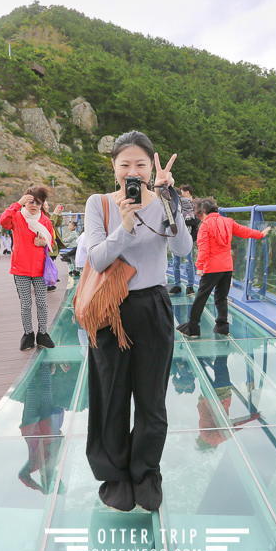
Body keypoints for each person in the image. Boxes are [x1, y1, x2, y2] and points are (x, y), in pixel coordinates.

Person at [84, 130, 191, 512]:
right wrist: (125, 226)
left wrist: (170, 201)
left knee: (150, 398)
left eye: (140, 164)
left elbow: (182, 249)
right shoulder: (99, 204)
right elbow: (96, 259)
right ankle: (115, 474)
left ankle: (146, 472)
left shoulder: (163, 201)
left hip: (152, 305)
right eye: (125, 164)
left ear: (151, 168)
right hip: (110, 309)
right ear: (114, 168)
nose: (133, 170)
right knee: (111, 395)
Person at [177, 198, 271, 338]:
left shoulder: (205, 225)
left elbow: (204, 248)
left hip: (212, 267)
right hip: (227, 266)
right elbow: (244, 231)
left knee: (201, 297)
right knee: (221, 297)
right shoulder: (228, 222)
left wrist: (200, 266)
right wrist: (260, 234)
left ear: (202, 212)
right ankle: (222, 326)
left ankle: (193, 327)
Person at [0, 186, 57, 351]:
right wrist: (17, 204)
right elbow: (3, 220)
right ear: (25, 201)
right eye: (31, 201)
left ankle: (43, 333)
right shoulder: (17, 217)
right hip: (21, 269)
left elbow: (51, 240)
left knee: (42, 303)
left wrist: (45, 243)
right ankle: (28, 333)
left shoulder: (45, 220)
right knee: (25, 304)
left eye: (38, 202)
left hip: (40, 270)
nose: (34, 205)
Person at [168, 184, 198, 295]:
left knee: (183, 262)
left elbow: (191, 218)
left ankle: (183, 285)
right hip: (183, 235)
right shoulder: (184, 203)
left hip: (180, 235)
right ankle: (184, 286)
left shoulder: (185, 203)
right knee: (184, 262)